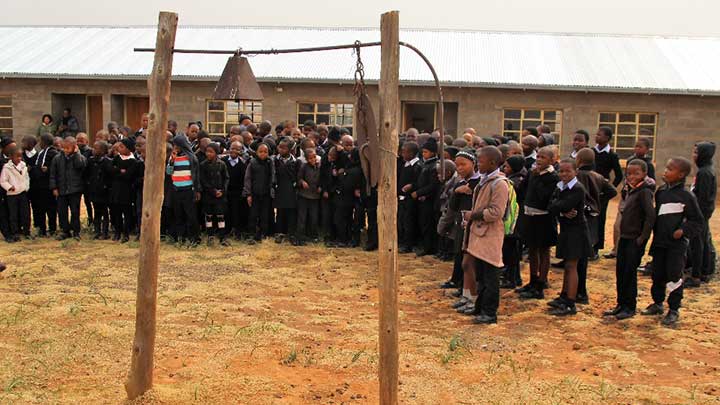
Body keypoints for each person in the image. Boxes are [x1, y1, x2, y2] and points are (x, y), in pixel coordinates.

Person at [640, 157, 703, 326]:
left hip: (676, 245)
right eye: (666, 168)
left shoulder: (687, 196)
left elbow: (697, 221)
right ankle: (657, 303)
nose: (665, 171)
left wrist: (683, 231)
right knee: (657, 273)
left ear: (681, 174)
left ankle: (674, 308)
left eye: (670, 169)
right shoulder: (661, 192)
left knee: (674, 275)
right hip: (660, 242)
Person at [461, 146, 509, 325]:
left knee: (491, 274)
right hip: (479, 233)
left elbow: (496, 212)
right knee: (480, 273)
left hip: (490, 234)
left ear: (493, 163)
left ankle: (490, 313)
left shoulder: (499, 184)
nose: (478, 164)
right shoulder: (485, 180)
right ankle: (480, 307)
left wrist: (473, 215)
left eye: (480, 162)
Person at [603, 159, 655, 320]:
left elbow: (650, 216)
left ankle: (629, 306)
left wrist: (642, 237)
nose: (631, 176)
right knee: (621, 271)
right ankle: (621, 303)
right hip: (625, 237)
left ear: (644, 174)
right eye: (629, 173)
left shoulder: (644, 192)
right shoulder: (630, 190)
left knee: (629, 273)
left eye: (636, 173)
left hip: (634, 239)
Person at [545, 159, 592, 316]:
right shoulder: (560, 187)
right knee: (567, 266)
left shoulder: (577, 189)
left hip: (576, 232)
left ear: (575, 172)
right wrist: (561, 211)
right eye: (562, 171)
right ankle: (564, 296)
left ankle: (571, 303)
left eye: (568, 171)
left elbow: (561, 205)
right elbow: (551, 206)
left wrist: (560, 208)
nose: (564, 174)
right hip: (566, 230)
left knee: (572, 266)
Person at [517, 146, 559, 299]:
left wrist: (538, 179)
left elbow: (546, 197)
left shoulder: (553, 177)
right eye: (538, 157)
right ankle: (532, 280)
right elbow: (522, 190)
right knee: (532, 249)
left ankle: (541, 283)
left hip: (544, 218)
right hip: (529, 215)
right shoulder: (532, 173)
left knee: (544, 250)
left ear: (552, 160)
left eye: (543, 158)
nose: (539, 160)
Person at [440, 150, 480, 304]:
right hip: (460, 224)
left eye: (463, 164)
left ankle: (471, 292)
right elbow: (453, 206)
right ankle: (462, 288)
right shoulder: (460, 183)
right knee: (460, 256)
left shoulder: (479, 183)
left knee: (469, 261)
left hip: (474, 226)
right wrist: (457, 192)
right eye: (457, 165)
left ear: (473, 164)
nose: (460, 168)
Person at [606, 137, 655, 259]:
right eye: (636, 146)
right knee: (618, 224)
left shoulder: (648, 165)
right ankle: (616, 249)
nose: (637, 149)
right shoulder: (630, 160)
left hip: (638, 200)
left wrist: (643, 237)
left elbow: (651, 182)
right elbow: (625, 179)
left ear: (647, 149)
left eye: (640, 146)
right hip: (627, 197)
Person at [687, 142, 716, 286]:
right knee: (702, 242)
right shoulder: (705, 170)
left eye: (696, 153)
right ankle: (704, 272)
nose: (694, 156)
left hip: (700, 214)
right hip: (702, 213)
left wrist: (696, 215)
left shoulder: (704, 173)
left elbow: (702, 197)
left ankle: (696, 276)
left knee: (697, 244)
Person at [593, 126, 623, 258]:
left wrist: (609, 188)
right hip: (589, 189)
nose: (597, 137)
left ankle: (596, 248)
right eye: (597, 134)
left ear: (607, 138)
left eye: (600, 135)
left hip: (601, 192)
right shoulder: (591, 151)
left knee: (600, 219)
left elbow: (619, 175)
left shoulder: (611, 155)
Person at [49, 136, 87, 240]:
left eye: (68, 148)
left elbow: (81, 166)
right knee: (62, 212)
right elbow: (53, 174)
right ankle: (65, 231)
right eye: (63, 148)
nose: (65, 150)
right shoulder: (57, 158)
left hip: (75, 190)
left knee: (75, 212)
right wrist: (54, 188)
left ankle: (76, 231)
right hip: (61, 190)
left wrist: (76, 154)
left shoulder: (79, 157)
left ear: (74, 147)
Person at [167, 134, 202, 246]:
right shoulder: (173, 157)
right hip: (176, 190)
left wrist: (197, 190)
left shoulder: (191, 158)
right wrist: (172, 160)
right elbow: (169, 172)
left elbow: (196, 176)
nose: (175, 148)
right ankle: (181, 237)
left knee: (191, 215)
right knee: (178, 215)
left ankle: (194, 238)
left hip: (188, 190)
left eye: (177, 145)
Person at [500, 155, 527, 288]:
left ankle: (511, 278)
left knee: (511, 251)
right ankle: (513, 277)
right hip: (513, 219)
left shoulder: (515, 182)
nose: (504, 168)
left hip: (513, 219)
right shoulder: (513, 179)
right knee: (511, 251)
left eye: (507, 166)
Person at [412, 137, 441, 256]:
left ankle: (428, 247)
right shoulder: (424, 164)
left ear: (433, 153)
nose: (423, 154)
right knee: (422, 223)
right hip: (422, 199)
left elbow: (433, 186)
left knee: (427, 225)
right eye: (423, 152)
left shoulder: (434, 166)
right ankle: (424, 245)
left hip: (429, 200)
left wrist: (419, 193)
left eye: (426, 152)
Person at [109, 138, 139, 243]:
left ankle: (125, 234)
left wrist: (119, 172)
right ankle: (117, 232)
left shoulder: (133, 161)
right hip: (115, 190)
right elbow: (110, 170)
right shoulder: (117, 158)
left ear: (129, 149)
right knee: (116, 212)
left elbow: (128, 175)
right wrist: (119, 171)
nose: (119, 148)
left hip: (126, 191)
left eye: (122, 147)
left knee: (126, 213)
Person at [200, 143, 230, 246]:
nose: (208, 153)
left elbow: (226, 178)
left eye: (211, 152)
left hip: (220, 196)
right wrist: (213, 191)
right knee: (209, 216)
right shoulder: (203, 165)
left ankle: (222, 237)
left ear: (216, 153)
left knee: (220, 216)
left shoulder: (222, 164)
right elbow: (203, 181)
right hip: (208, 196)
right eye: (207, 151)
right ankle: (210, 236)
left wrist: (222, 191)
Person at [244, 143, 275, 243]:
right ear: (256, 152)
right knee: (253, 215)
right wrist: (248, 194)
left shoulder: (270, 162)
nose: (263, 154)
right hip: (254, 194)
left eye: (265, 152)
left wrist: (271, 189)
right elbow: (248, 179)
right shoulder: (252, 163)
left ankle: (263, 234)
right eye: (260, 152)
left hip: (266, 194)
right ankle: (251, 234)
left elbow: (272, 176)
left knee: (264, 215)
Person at [0, 147, 31, 241]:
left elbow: (26, 178)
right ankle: (15, 232)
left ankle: (26, 231)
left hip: (22, 193)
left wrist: (26, 187)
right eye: (17, 157)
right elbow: (2, 181)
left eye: (20, 156)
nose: (19, 159)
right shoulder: (6, 168)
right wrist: (9, 187)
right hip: (12, 194)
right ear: (10, 157)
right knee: (13, 214)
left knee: (25, 213)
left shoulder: (23, 165)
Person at [30, 134, 58, 237]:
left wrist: (48, 169)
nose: (39, 143)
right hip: (40, 186)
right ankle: (41, 229)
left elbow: (56, 168)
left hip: (48, 186)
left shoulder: (53, 153)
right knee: (41, 208)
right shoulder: (41, 152)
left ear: (44, 142)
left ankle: (52, 229)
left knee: (51, 209)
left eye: (40, 141)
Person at [273, 138, 300, 245]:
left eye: (284, 148)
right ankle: (280, 233)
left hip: (291, 190)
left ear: (290, 150)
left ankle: (291, 234)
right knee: (280, 213)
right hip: (279, 189)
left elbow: (297, 176)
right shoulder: (275, 160)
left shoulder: (295, 162)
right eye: (280, 147)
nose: (281, 150)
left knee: (291, 213)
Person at [223, 141, 250, 240]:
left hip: (238, 193)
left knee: (237, 212)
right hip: (226, 192)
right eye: (232, 148)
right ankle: (226, 231)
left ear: (241, 151)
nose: (234, 151)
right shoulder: (224, 162)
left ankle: (237, 231)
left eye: (237, 149)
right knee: (226, 212)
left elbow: (245, 179)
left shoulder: (243, 164)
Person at [398, 141, 421, 254]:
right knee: (402, 221)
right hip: (402, 198)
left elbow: (420, 182)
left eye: (404, 152)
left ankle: (409, 244)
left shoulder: (417, 166)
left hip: (410, 199)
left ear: (411, 153)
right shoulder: (405, 164)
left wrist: (412, 186)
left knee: (409, 222)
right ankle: (402, 242)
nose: (402, 154)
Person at [86, 140, 112, 239]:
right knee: (96, 212)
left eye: (96, 148)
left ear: (102, 150)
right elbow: (87, 174)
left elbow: (110, 176)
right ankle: (97, 231)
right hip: (94, 190)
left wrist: (106, 186)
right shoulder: (91, 161)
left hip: (104, 192)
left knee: (104, 212)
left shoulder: (107, 162)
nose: (93, 150)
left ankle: (105, 232)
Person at [296, 148, 321, 245]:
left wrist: (320, 187)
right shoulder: (304, 167)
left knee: (314, 217)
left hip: (315, 196)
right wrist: (302, 182)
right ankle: (300, 237)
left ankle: (313, 236)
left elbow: (323, 179)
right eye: (310, 158)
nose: (313, 160)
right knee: (302, 217)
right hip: (304, 195)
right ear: (306, 159)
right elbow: (298, 179)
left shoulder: (319, 167)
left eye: (314, 157)